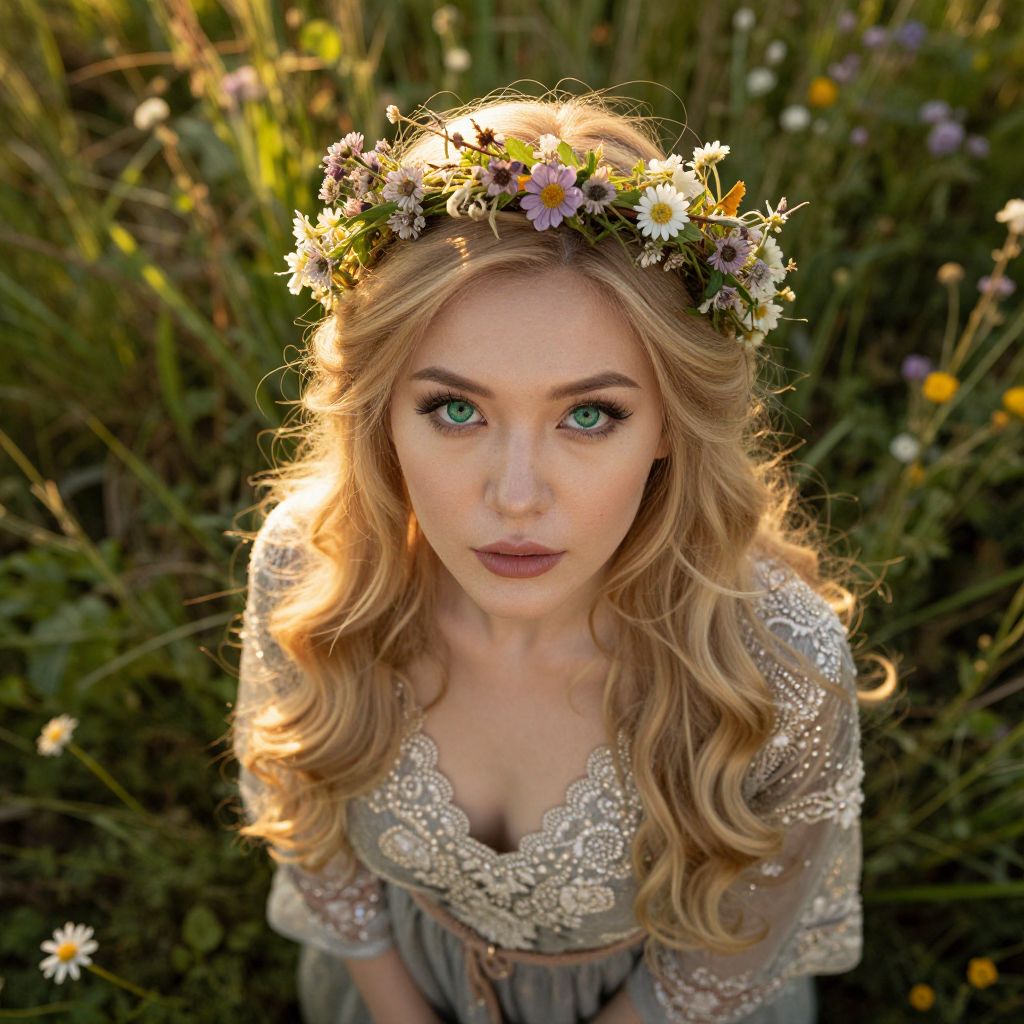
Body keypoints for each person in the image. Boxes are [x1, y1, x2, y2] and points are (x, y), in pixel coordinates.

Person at [229, 89, 889, 1024]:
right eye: (456, 409)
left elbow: (728, 956)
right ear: (380, 413)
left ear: (668, 428)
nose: (516, 496)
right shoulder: (314, 573)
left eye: (590, 415)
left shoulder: (776, 667)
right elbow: (316, 839)